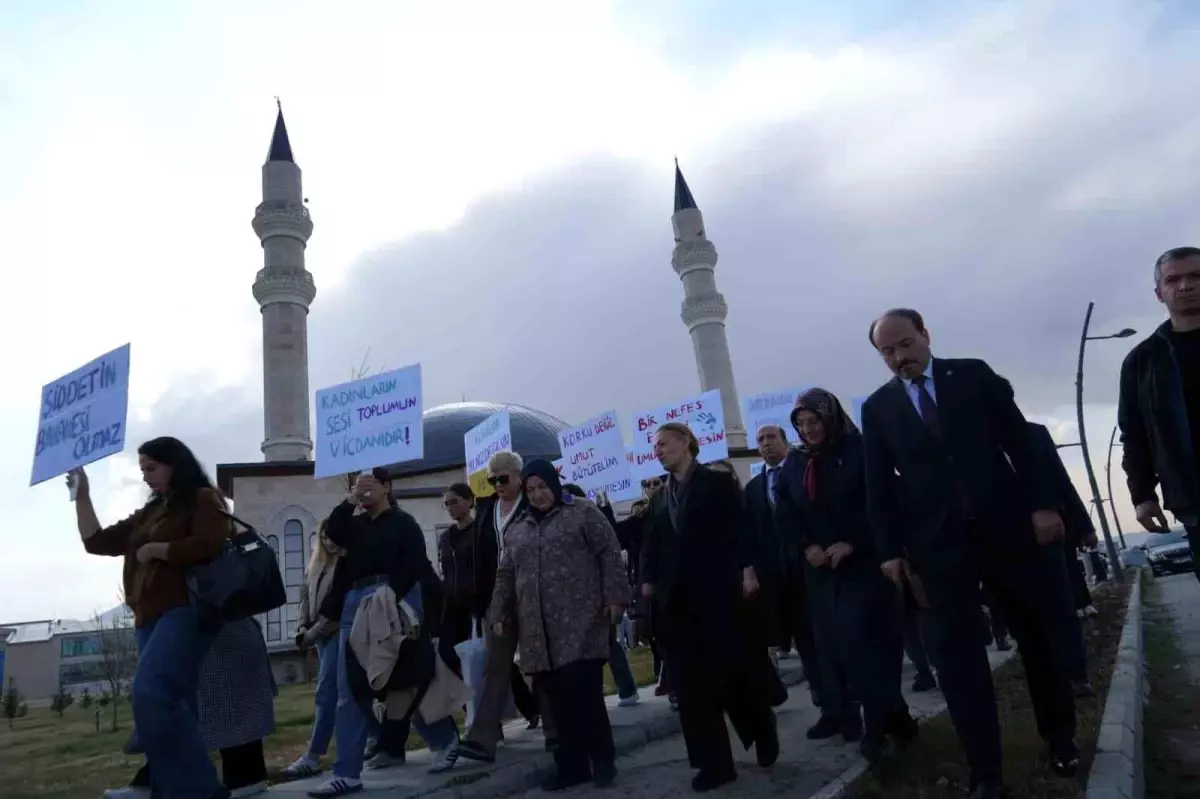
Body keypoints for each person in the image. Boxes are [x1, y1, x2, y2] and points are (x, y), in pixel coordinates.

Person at [861, 308, 1078, 799]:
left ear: (925, 336)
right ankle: (986, 772)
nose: (899, 357)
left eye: (905, 344)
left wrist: (1044, 505)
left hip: (1008, 533)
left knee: (1037, 640)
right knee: (957, 663)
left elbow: (1022, 444)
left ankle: (1060, 738)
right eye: (887, 351)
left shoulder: (973, 375)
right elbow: (879, 488)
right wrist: (890, 550)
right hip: (937, 552)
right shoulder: (878, 409)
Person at [73, 437, 231, 799]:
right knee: (177, 703)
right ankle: (168, 787)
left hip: (184, 610)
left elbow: (212, 545)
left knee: (150, 692)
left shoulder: (203, 498)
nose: (145, 476)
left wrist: (158, 550)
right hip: (148, 617)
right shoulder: (151, 511)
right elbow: (97, 542)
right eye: (142, 469)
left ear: (175, 464)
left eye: (151, 468)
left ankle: (198, 790)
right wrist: (82, 495)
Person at [779, 389, 918, 762]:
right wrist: (807, 546)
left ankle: (876, 729)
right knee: (837, 650)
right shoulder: (795, 463)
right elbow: (787, 513)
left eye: (814, 421)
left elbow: (880, 503)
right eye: (801, 423)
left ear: (830, 418)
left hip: (865, 566)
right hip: (822, 574)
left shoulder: (859, 451)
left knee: (866, 647)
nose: (808, 430)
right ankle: (899, 718)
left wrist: (852, 544)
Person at [641, 422, 779, 793]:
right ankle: (713, 764)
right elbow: (652, 547)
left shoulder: (716, 483)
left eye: (663, 443)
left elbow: (741, 528)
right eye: (654, 447)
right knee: (691, 688)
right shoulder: (657, 499)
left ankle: (761, 727)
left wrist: (748, 569)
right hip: (677, 607)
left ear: (686, 441)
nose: (658, 450)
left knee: (733, 675)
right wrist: (648, 584)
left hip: (718, 597)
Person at [307, 467, 459, 798]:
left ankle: (443, 739)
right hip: (357, 606)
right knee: (352, 689)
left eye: (370, 484)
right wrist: (350, 500)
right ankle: (346, 772)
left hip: (395, 600)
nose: (363, 490)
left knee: (403, 680)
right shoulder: (355, 526)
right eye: (357, 485)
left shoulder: (404, 523)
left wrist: (394, 593)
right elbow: (333, 531)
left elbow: (416, 563)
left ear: (387, 487)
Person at [490, 460, 629, 791]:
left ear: (555, 484)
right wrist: (498, 612)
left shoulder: (581, 512)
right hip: (539, 630)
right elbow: (506, 573)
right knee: (556, 702)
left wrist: (616, 598)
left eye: (543, 487)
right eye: (531, 489)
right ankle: (571, 766)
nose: (537, 494)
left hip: (582, 621)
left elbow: (609, 553)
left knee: (585, 695)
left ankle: (603, 760)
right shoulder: (519, 527)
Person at [450, 451, 548, 766]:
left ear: (519, 476)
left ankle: (557, 730)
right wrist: (482, 602)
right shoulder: (487, 509)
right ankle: (483, 739)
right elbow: (481, 558)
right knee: (495, 667)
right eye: (492, 480)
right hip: (497, 599)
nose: (498, 485)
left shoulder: (533, 503)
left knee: (540, 664)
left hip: (533, 594)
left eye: (503, 478)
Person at [109, 617, 279, 799]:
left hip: (214, 627)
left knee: (235, 732)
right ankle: (155, 779)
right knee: (233, 731)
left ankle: (156, 781)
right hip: (203, 626)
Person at [1118, 246, 1200, 583]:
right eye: (1173, 279)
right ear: (1159, 292)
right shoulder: (1142, 362)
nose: (1185, 286)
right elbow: (1134, 435)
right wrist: (1142, 495)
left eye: (1195, 276)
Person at [743, 424, 821, 701]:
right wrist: (751, 572)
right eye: (760, 439)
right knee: (805, 645)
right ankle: (826, 705)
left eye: (771, 437)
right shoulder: (753, 489)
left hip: (814, 570)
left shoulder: (807, 469)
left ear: (785, 441)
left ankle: (848, 704)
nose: (765, 443)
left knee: (826, 642)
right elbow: (750, 536)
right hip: (779, 582)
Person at [1027, 422, 1097, 698]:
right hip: (1003, 541)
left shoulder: (1034, 434)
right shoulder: (967, 438)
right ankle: (1049, 679)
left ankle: (1076, 674)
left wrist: (1085, 526)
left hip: (1052, 533)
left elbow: (1061, 480)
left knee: (1061, 604)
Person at [563, 484, 641, 708]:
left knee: (606, 644)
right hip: (578, 598)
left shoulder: (592, 525)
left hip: (597, 596)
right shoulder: (566, 528)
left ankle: (626, 688)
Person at [282, 520, 344, 779]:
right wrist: (301, 629)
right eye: (324, 536)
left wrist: (312, 633)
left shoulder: (344, 565)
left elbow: (336, 610)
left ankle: (313, 756)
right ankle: (378, 739)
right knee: (346, 693)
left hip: (335, 634)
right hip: (316, 636)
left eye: (333, 537)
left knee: (326, 692)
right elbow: (304, 597)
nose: (328, 542)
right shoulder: (315, 563)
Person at [438, 483, 484, 647]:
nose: (451, 507)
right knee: (448, 652)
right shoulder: (445, 537)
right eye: (447, 504)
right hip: (451, 606)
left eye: (454, 502)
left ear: (469, 501)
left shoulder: (479, 531)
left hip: (475, 605)